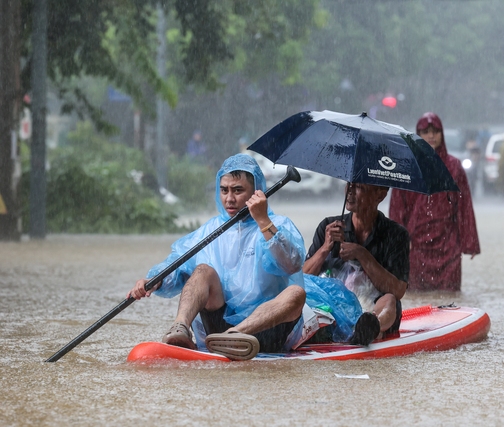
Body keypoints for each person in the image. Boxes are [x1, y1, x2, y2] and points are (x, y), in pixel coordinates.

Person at [127, 154, 306, 360]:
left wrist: (263, 220)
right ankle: (180, 328)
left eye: (238, 190)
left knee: (296, 293)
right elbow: (176, 264)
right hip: (218, 329)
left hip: (266, 328)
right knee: (203, 271)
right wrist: (153, 281)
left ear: (256, 192)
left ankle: (236, 334)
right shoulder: (210, 229)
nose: (229, 199)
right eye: (224, 190)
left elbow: (292, 264)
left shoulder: (278, 224)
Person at [303, 182, 409, 346]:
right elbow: (302, 278)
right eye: (349, 185)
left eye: (359, 186)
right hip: (331, 309)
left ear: (380, 195)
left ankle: (371, 329)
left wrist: (363, 255)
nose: (350, 191)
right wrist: (325, 248)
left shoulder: (395, 234)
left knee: (389, 300)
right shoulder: (328, 226)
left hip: (371, 310)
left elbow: (398, 290)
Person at [389, 112, 480, 292]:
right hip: (416, 245)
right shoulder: (408, 166)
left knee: (448, 299)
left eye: (435, 131)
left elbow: (464, 207)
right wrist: (400, 240)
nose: (431, 136)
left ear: (442, 134)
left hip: (448, 246)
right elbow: (398, 207)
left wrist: (469, 242)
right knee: (416, 296)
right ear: (418, 135)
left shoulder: (454, 167)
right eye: (426, 132)